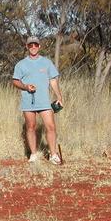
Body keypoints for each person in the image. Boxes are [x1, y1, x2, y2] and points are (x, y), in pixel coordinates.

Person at [12, 36, 64, 164]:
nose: (33, 47)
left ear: (39, 46)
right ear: (27, 47)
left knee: (51, 126)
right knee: (30, 127)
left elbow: (53, 80)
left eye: (35, 45)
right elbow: (15, 81)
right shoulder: (21, 64)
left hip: (44, 101)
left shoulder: (46, 62)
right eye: (31, 45)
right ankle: (34, 154)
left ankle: (53, 155)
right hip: (28, 101)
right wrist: (25, 86)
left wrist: (59, 96)